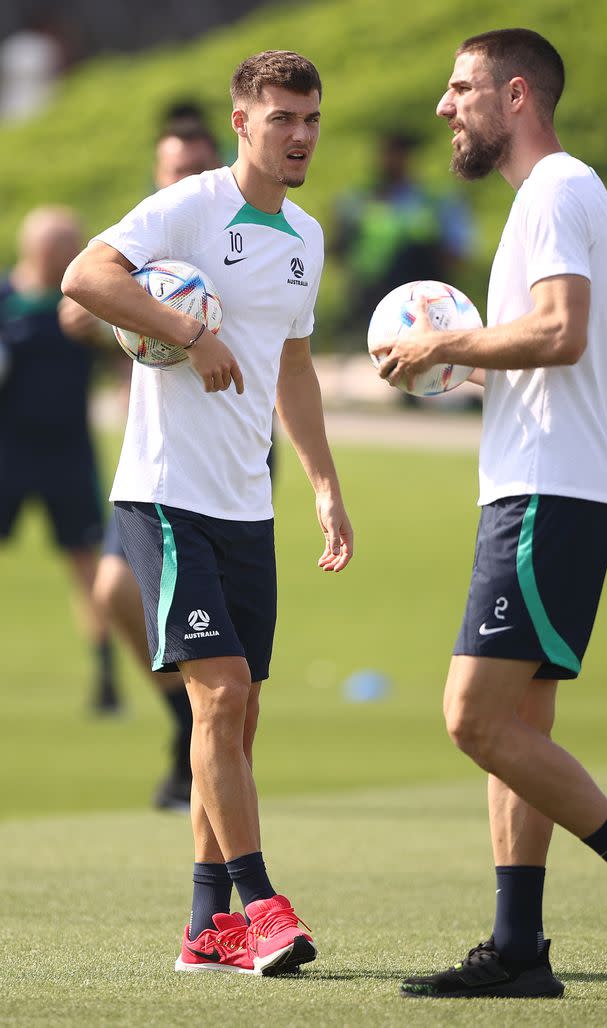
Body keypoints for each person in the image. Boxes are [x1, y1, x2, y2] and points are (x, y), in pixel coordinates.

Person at [372, 29, 607, 1000]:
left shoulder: (560, 188)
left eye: (461, 86)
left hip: (546, 492)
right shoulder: (546, 199)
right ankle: (518, 945)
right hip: (544, 485)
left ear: (516, 95)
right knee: (520, 719)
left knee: (472, 718)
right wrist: (459, 357)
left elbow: (562, 333)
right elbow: (548, 342)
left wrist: (455, 341)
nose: (446, 105)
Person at [62, 50, 353, 976]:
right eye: (282, 119)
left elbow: (295, 369)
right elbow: (84, 276)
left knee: (233, 721)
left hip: (245, 506)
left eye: (311, 118)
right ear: (243, 122)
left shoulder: (304, 234)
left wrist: (321, 481)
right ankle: (263, 909)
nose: (300, 135)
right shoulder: (189, 205)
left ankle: (205, 928)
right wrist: (191, 331)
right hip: (166, 496)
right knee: (219, 698)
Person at [90, 119, 223, 811]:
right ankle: (185, 729)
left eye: (199, 167)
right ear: (158, 174)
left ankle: (203, 759)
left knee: (223, 660)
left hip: (230, 455)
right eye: (175, 170)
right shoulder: (149, 238)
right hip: (157, 456)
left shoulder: (229, 233)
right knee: (113, 591)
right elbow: (83, 293)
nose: (187, 181)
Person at [0, 206, 119, 712]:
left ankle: (106, 676)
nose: (66, 253)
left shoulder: (86, 302)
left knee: (87, 565)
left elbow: (129, 355)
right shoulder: (5, 300)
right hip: (7, 451)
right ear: (33, 247)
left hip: (69, 452)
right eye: (58, 244)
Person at [332, 129, 473, 347]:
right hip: (369, 303)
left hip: (424, 303)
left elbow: (457, 254)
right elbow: (338, 250)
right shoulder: (357, 202)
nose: (392, 160)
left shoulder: (435, 202)